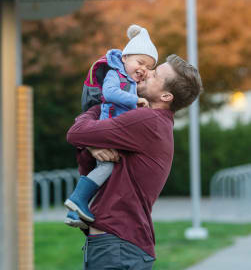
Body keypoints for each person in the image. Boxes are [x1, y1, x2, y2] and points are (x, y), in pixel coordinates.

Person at [66, 54, 203, 270]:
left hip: (116, 248)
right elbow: (85, 153)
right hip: (120, 246)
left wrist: (102, 104)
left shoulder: (146, 120)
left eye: (156, 74)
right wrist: (92, 142)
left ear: (166, 96)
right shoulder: (153, 122)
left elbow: (75, 133)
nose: (146, 71)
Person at [64, 24, 158, 226]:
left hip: (114, 132)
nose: (143, 69)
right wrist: (136, 101)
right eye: (140, 62)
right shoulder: (116, 74)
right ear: (124, 58)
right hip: (107, 129)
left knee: (104, 172)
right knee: (105, 168)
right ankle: (77, 200)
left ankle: (75, 212)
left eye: (149, 67)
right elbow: (110, 94)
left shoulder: (131, 82)